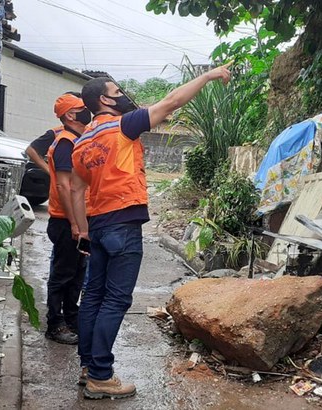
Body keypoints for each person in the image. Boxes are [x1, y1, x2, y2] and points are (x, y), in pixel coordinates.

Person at [70, 62, 232, 399]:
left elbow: (75, 189)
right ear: (104, 100)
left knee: (93, 298)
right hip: (123, 223)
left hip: (98, 224)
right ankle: (101, 376)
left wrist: (82, 229)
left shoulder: (82, 141)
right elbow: (171, 102)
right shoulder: (123, 125)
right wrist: (207, 75)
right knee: (115, 300)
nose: (123, 95)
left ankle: (88, 367)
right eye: (117, 91)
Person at [41, 92, 92, 344]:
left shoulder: (76, 140)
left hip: (79, 220)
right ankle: (55, 324)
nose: (87, 111)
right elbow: (63, 186)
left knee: (77, 273)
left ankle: (72, 318)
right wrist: (74, 223)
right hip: (65, 221)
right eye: (82, 108)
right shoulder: (65, 143)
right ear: (71, 115)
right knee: (62, 274)